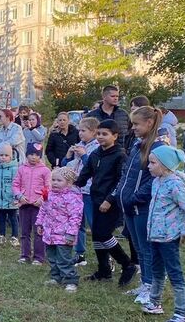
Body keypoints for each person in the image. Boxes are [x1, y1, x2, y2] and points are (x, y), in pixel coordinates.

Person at [110, 106, 166, 304]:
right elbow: (127, 174)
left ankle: (152, 288)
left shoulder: (158, 148)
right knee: (139, 248)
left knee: (147, 248)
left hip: (141, 207)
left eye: (136, 124)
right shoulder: (136, 145)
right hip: (128, 206)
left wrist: (135, 197)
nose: (132, 127)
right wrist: (119, 195)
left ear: (149, 123)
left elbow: (155, 180)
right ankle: (145, 283)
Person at [74, 120, 136, 284]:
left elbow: (121, 180)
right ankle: (104, 271)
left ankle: (127, 264)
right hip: (96, 199)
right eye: (99, 133)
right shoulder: (96, 153)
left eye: (105, 134)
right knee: (96, 235)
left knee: (103, 234)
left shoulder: (120, 155)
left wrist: (110, 200)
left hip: (111, 203)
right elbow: (86, 173)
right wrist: (73, 185)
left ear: (115, 136)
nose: (101, 137)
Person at [142, 146, 185, 322]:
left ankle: (182, 313)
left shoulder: (175, 184)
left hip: (168, 237)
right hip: (155, 236)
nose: (148, 166)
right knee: (157, 270)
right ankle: (155, 302)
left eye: (152, 162)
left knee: (175, 273)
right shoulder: (157, 181)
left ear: (165, 166)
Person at [36, 167, 83, 292]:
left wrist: (71, 234)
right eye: (53, 180)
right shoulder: (49, 195)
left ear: (68, 183)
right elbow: (43, 210)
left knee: (64, 259)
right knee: (52, 257)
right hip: (49, 233)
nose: (55, 183)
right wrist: (40, 224)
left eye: (59, 180)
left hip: (64, 235)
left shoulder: (72, 198)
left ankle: (70, 280)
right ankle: (55, 277)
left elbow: (75, 217)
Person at [64, 116, 100, 266]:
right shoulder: (80, 145)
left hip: (90, 191)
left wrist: (84, 155)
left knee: (95, 224)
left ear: (93, 132)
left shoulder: (97, 147)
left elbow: (94, 167)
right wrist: (68, 156)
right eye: (79, 130)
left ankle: (104, 256)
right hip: (77, 190)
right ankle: (80, 254)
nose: (80, 133)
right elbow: (72, 164)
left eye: (83, 131)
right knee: (77, 223)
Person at [13, 142, 52, 265]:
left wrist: (41, 199)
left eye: (36, 154)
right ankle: (25, 255)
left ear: (40, 156)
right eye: (31, 154)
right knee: (24, 232)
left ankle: (39, 257)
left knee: (39, 232)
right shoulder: (21, 169)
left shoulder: (45, 171)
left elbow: (49, 188)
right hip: (24, 205)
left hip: (38, 207)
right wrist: (19, 196)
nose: (33, 157)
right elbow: (15, 185)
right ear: (26, 155)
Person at [0, 144, 20, 246]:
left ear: (11, 157)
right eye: (1, 155)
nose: (3, 157)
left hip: (11, 198)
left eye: (6, 155)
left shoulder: (14, 169)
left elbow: (17, 184)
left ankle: (14, 236)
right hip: (0, 198)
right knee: (1, 217)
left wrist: (17, 197)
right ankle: (1, 235)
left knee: (13, 218)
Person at [86, 85, 131, 149]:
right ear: (104, 97)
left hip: (120, 152)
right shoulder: (91, 115)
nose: (116, 98)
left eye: (117, 96)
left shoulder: (123, 114)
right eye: (112, 96)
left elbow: (129, 133)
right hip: (98, 152)